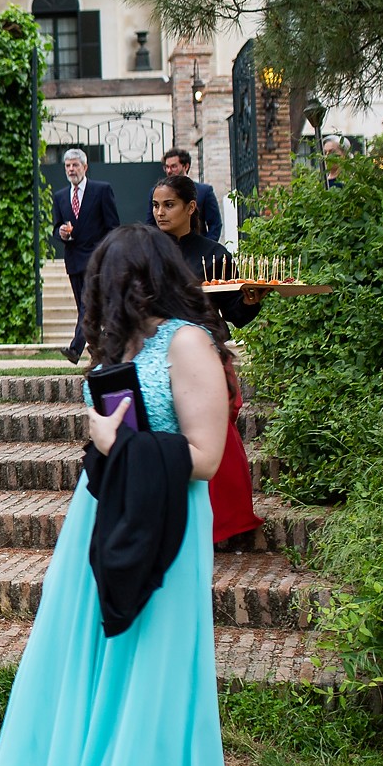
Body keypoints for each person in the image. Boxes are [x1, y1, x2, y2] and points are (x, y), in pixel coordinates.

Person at [0, 223, 232, 766]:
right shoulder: (125, 345)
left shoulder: (187, 343)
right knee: (82, 671)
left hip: (163, 521)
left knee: (151, 678)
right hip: (102, 513)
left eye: (104, 285)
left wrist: (119, 439)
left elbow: (207, 454)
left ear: (135, 281)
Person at [151, 175, 265, 548]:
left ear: (190, 207)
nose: (161, 212)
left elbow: (235, 313)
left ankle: (228, 525)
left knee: (220, 436)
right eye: (156, 205)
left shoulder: (214, 254)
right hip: (158, 357)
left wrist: (250, 301)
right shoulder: (147, 251)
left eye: (169, 205)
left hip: (207, 354)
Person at [52, 148, 122, 363]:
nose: (71, 169)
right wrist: (61, 232)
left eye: (75, 165)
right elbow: (56, 227)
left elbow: (113, 227)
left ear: (85, 167)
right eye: (67, 166)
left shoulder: (101, 190)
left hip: (96, 260)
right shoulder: (60, 196)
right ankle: (100, 347)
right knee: (86, 308)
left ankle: (76, 348)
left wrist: (107, 255)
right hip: (74, 260)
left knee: (87, 305)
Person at [161, 149, 222, 242]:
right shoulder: (158, 193)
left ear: (186, 166)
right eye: (166, 167)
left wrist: (208, 246)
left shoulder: (204, 191)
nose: (169, 171)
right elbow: (151, 224)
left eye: (173, 166)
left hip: (197, 245)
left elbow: (215, 224)